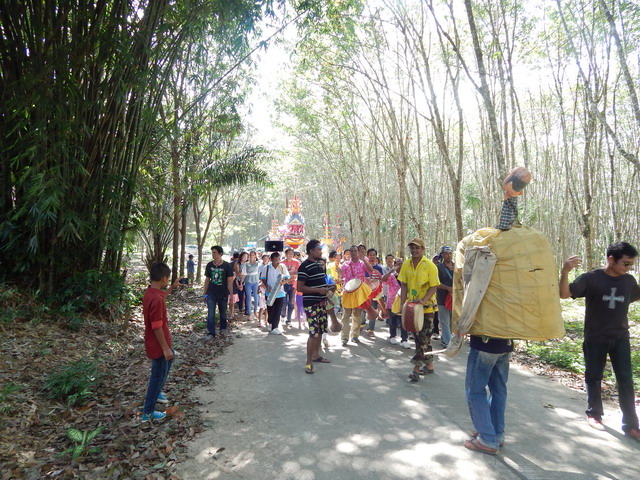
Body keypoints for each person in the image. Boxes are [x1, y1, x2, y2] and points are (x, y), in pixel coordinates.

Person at [560, 242, 640, 440]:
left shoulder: (628, 281)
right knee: (594, 377)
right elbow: (564, 294)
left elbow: (636, 296)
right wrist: (565, 271)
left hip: (620, 337)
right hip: (595, 337)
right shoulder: (591, 278)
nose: (628, 268)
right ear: (611, 259)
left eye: (631, 264)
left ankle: (631, 425)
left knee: (626, 380)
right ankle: (594, 414)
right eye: (626, 263)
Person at [141, 263, 184, 422]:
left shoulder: (150, 293)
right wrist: (165, 348)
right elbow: (157, 326)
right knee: (157, 375)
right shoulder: (156, 299)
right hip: (159, 344)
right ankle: (147, 412)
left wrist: (172, 287)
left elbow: (162, 296)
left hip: (154, 342)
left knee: (163, 368)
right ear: (164, 278)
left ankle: (157, 391)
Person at [398, 238, 440, 382]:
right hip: (411, 309)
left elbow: (434, 286)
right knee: (420, 338)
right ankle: (429, 365)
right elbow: (404, 285)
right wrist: (403, 304)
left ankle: (416, 369)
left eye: (417, 248)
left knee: (423, 338)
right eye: (412, 248)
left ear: (423, 249)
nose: (414, 250)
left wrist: (423, 300)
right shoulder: (406, 264)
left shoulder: (430, 266)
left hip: (427, 309)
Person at [297, 240, 335, 374]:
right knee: (313, 333)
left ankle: (316, 355)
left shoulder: (319, 265)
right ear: (311, 251)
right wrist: (319, 290)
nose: (320, 252)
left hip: (322, 303)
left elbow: (317, 284)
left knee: (320, 330)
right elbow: (300, 287)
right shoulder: (304, 266)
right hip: (311, 304)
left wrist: (328, 288)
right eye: (318, 249)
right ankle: (308, 362)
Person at [340, 244, 375, 346]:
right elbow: (341, 276)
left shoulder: (363, 263)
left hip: (358, 293)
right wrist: (340, 275)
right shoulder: (345, 265)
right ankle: (344, 337)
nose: (354, 253)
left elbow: (371, 270)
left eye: (355, 251)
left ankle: (355, 336)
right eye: (352, 251)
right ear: (349, 253)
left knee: (357, 315)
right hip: (347, 293)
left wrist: (364, 260)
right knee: (345, 316)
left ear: (358, 252)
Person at [203, 246, 235, 339]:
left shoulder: (227, 265)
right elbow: (207, 280)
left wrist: (231, 295)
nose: (213, 254)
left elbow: (230, 281)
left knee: (223, 312)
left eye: (215, 252)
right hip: (211, 293)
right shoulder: (209, 265)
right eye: (212, 252)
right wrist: (205, 293)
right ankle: (211, 333)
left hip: (223, 293)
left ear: (220, 254)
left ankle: (223, 328)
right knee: (211, 313)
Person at [261, 252, 290, 335]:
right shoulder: (266, 268)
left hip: (280, 293)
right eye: (275, 260)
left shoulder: (282, 267)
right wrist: (267, 286)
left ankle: (275, 327)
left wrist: (284, 282)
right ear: (271, 260)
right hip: (269, 293)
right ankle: (270, 323)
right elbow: (263, 278)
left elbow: (287, 276)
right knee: (270, 309)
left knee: (278, 310)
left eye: (279, 260)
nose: (277, 262)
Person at [383, 258, 410, 347]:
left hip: (404, 301)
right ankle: (393, 336)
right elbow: (383, 279)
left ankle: (404, 339)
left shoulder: (407, 276)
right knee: (393, 320)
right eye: (398, 264)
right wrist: (391, 270)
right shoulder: (392, 276)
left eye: (401, 264)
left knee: (403, 321)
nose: (400, 266)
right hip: (392, 302)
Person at [436, 246, 454, 348]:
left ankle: (445, 338)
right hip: (442, 298)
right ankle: (448, 343)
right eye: (446, 253)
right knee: (444, 321)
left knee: (451, 322)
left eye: (450, 253)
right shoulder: (438, 267)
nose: (449, 255)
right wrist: (448, 288)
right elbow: (436, 283)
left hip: (454, 299)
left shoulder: (456, 267)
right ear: (442, 255)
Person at [281, 248, 300, 327]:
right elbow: (281, 274)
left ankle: (289, 320)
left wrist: (290, 276)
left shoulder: (296, 262)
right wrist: (291, 275)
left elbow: (298, 273)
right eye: (289, 253)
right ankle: (282, 315)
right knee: (284, 302)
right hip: (284, 284)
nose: (290, 255)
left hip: (293, 284)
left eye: (292, 253)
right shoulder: (282, 263)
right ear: (286, 254)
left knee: (291, 303)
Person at [242, 251, 260, 319]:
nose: (251, 256)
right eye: (250, 255)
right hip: (248, 281)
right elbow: (244, 274)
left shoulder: (258, 263)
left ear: (255, 256)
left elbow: (260, 272)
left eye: (253, 255)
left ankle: (255, 311)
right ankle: (249, 313)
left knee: (256, 296)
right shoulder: (246, 264)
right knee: (248, 297)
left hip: (255, 281)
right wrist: (241, 283)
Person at [256, 254, 270, 327]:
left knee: (267, 307)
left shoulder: (270, 267)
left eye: (267, 259)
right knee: (261, 307)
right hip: (262, 288)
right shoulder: (260, 267)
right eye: (264, 258)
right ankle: (259, 321)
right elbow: (259, 278)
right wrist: (259, 287)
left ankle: (266, 321)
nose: (265, 260)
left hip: (268, 289)